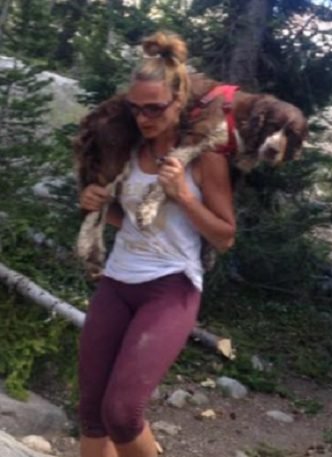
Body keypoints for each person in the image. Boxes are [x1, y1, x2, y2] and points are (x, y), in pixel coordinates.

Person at [76, 31, 236, 457]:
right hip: (117, 281)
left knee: (122, 412)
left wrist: (183, 195)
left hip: (171, 286)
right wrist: (95, 202)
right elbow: (129, 220)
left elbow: (225, 236)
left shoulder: (204, 158)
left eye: (154, 108)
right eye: (135, 108)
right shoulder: (128, 150)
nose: (143, 118)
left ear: (179, 101)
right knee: (92, 412)